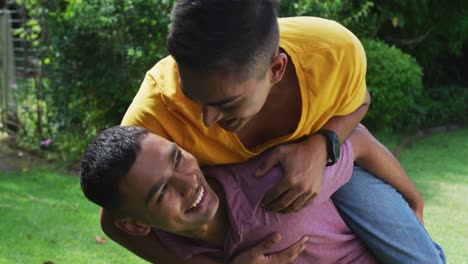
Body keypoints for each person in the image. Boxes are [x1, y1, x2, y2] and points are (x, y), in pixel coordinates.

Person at [101, 0, 445, 263]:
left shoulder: (332, 52)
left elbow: (358, 102)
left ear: (276, 69)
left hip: (335, 168)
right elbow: (116, 217)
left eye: (227, 103)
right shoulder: (155, 110)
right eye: (193, 97)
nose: (206, 120)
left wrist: (324, 143)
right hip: (244, 212)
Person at [81, 125, 442, 264]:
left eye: (178, 158)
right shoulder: (171, 247)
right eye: (161, 192)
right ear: (136, 224)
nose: (188, 183)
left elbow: (357, 139)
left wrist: (414, 199)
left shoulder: (268, 180)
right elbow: (113, 222)